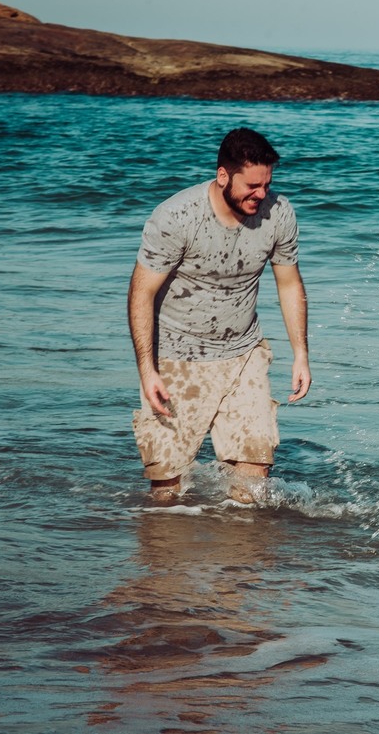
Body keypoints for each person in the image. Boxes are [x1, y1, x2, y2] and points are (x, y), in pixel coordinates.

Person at [128, 128, 311, 503]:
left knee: (254, 474)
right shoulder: (176, 217)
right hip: (177, 358)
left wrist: (300, 355)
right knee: (166, 484)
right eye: (253, 186)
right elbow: (141, 292)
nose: (262, 195)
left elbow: (289, 284)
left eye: (267, 184)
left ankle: (242, 559)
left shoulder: (279, 214)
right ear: (223, 175)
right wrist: (148, 371)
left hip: (243, 355)